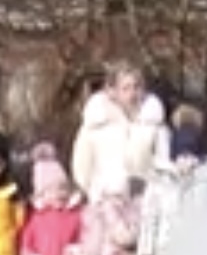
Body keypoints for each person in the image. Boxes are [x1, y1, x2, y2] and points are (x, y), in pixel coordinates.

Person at [70, 62, 171, 203]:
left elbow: (163, 163)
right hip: (107, 203)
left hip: (146, 203)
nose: (133, 93)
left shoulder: (155, 125)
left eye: (137, 87)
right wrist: (97, 192)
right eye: (126, 88)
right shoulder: (95, 125)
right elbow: (81, 168)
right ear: (113, 91)